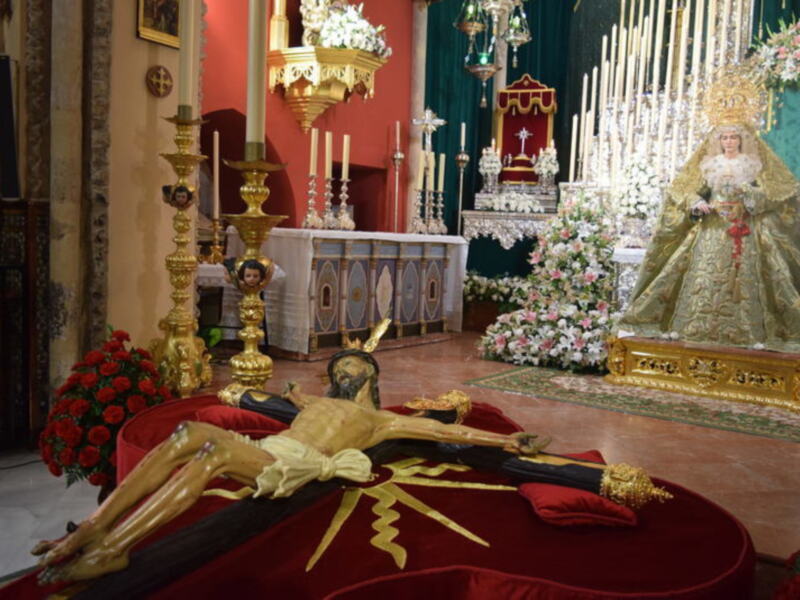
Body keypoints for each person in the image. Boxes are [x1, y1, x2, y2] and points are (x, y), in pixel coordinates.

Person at [619, 122, 800, 352]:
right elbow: (688, 191)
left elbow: (771, 196)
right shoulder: (709, 165)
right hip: (712, 228)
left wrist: (748, 192)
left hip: (743, 230)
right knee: (703, 276)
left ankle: (746, 332)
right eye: (724, 138)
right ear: (719, 141)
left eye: (733, 137)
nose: (729, 142)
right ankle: (696, 328)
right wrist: (697, 202)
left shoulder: (753, 165)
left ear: (741, 140)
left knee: (744, 278)